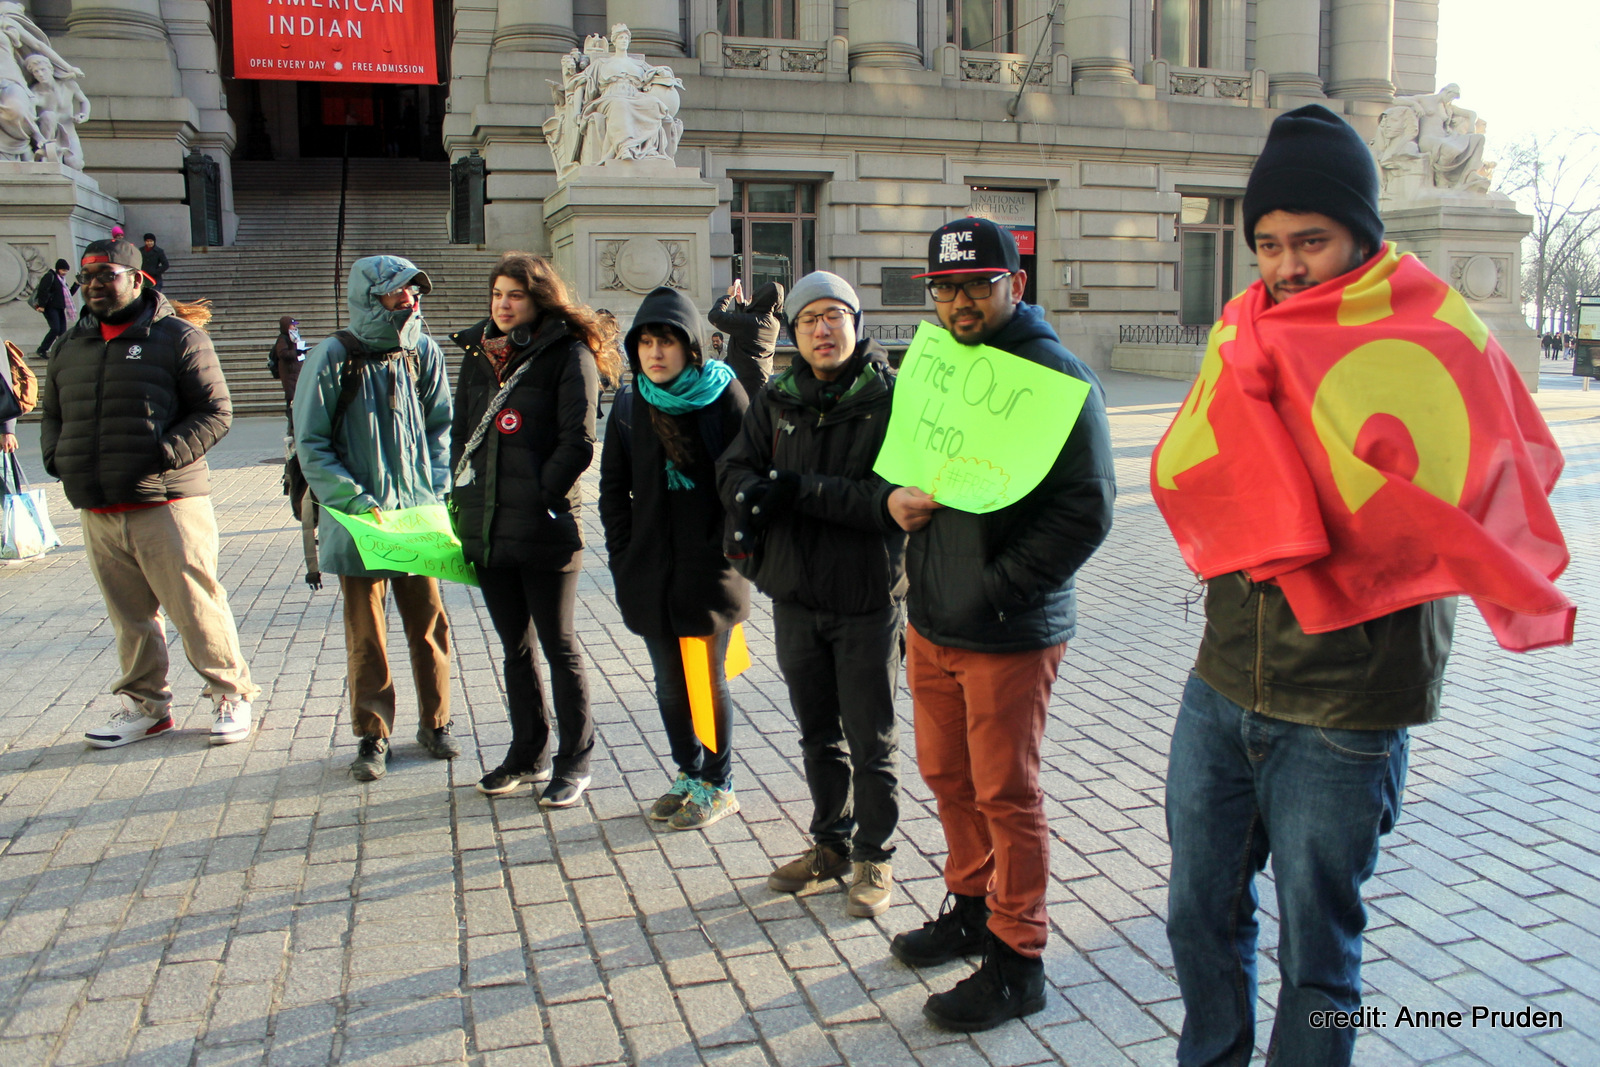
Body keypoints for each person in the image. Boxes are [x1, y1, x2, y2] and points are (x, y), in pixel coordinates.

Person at [1151, 105, 1573, 1067]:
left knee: (1320, 954)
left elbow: (1484, 486)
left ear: (1362, 235)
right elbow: (1202, 465)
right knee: (1194, 916)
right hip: (1223, 681)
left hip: (1346, 702)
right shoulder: (1243, 328)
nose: (1286, 265)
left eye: (1311, 240)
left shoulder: (1432, 334)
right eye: (1266, 243)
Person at [885, 217, 1115, 1031]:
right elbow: (912, 465)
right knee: (947, 775)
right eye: (944, 288)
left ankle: (1019, 957)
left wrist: (998, 587)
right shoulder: (939, 366)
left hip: (1009, 629)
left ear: (1013, 285)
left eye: (976, 285)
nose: (957, 302)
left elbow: (1089, 509)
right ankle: (972, 904)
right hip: (933, 619)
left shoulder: (1056, 378)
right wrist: (894, 502)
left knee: (1006, 792)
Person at [717, 271, 907, 918]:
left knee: (870, 736)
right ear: (794, 333)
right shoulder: (778, 397)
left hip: (867, 598)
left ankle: (874, 855)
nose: (822, 330)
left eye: (834, 316)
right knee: (817, 733)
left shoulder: (891, 400)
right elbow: (733, 466)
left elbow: (891, 502)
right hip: (796, 593)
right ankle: (830, 845)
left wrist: (798, 491)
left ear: (856, 323)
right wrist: (750, 493)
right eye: (808, 320)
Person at [39, 239, 259, 747]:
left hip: (167, 503)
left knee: (195, 606)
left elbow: (216, 411)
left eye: (107, 274)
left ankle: (231, 692)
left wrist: (161, 456)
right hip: (97, 505)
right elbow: (52, 414)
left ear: (138, 280)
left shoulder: (177, 338)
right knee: (130, 615)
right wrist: (57, 458)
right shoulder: (71, 345)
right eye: (88, 276)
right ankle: (146, 707)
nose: (94, 284)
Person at [450, 253, 617, 808]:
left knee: (559, 644)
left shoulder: (567, 354)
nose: (502, 304)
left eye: (515, 295)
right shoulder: (478, 355)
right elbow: (459, 436)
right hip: (488, 524)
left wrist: (545, 496)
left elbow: (579, 441)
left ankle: (575, 760)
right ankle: (528, 754)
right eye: (497, 293)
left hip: (544, 524)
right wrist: (463, 502)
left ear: (538, 299)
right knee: (513, 648)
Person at [294, 255, 457, 783]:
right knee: (367, 633)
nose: (409, 300)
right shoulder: (332, 356)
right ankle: (373, 734)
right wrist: (355, 500)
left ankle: (436, 723)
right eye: (396, 293)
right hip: (360, 519)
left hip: (415, 517)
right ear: (370, 297)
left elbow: (441, 429)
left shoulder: (423, 352)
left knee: (430, 624)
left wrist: (436, 490)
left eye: (413, 291)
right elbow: (311, 445)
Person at [599, 286, 749, 831]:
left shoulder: (724, 397)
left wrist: (732, 553)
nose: (655, 352)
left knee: (706, 680)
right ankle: (688, 772)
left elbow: (744, 482)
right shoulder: (631, 400)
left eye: (667, 341)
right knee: (668, 685)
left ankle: (720, 780)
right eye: (645, 342)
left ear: (690, 348)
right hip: (650, 570)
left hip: (710, 570)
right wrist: (622, 556)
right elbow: (612, 489)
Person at [708, 278, 784, 402]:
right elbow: (746, 326)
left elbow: (714, 316)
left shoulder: (751, 323)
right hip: (761, 382)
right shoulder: (774, 323)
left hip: (743, 385)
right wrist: (741, 303)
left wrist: (728, 296)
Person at [31, 258, 74, 356]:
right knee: (55, 329)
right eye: (63, 270)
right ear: (58, 269)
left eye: (66, 271)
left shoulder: (61, 280)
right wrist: (41, 305)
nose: (65, 273)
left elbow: (67, 295)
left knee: (62, 332)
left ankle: (61, 351)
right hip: (50, 307)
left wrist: (76, 285)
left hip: (59, 308)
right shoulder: (50, 276)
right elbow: (43, 290)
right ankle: (42, 349)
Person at [269, 315, 307, 421]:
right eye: (292, 325)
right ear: (286, 326)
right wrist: (296, 352)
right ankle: (290, 412)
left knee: (296, 391)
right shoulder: (283, 339)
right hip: (289, 371)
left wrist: (302, 349)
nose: (295, 327)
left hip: (295, 369)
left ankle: (294, 411)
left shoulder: (294, 337)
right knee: (291, 392)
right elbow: (283, 353)